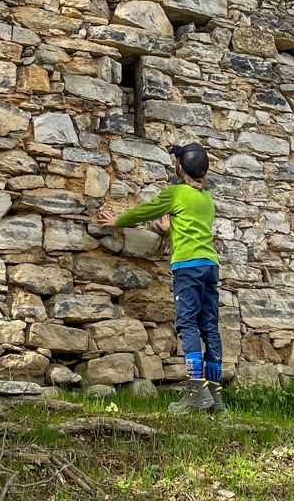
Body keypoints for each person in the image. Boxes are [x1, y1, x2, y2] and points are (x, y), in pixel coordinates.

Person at [94, 142, 223, 413]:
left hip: (187, 266)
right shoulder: (207, 198)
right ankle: (214, 393)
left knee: (187, 324)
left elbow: (146, 211)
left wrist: (118, 221)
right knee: (209, 326)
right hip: (210, 265)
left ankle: (195, 392)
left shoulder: (176, 193)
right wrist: (169, 231)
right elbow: (193, 228)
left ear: (180, 168)